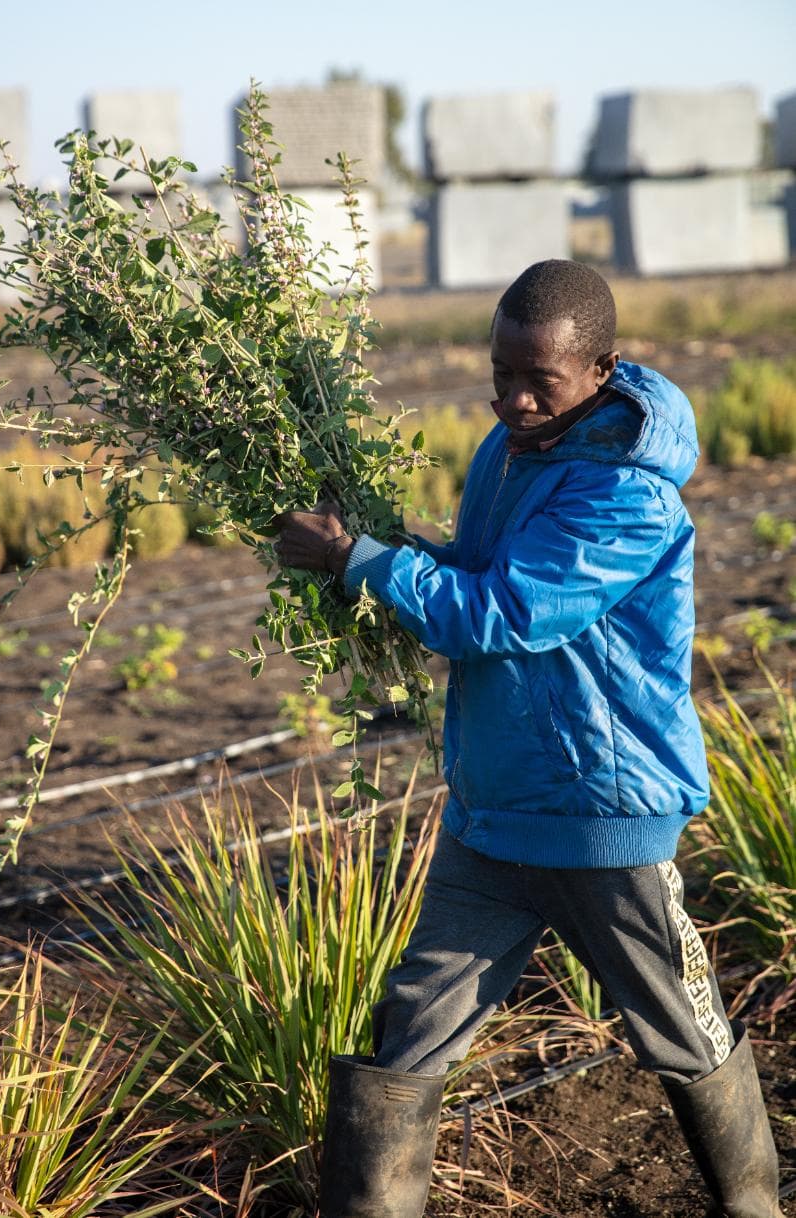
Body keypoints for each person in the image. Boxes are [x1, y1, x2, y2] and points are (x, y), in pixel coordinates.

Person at [275, 260, 783, 1218]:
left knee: (685, 1034)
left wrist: (357, 561)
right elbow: (475, 570)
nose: (511, 397)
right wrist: (386, 549)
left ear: (601, 369)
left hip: (601, 818)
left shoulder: (625, 497)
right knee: (408, 1041)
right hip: (495, 811)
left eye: (537, 380)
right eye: (499, 370)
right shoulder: (508, 451)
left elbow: (501, 613)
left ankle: (753, 1207)